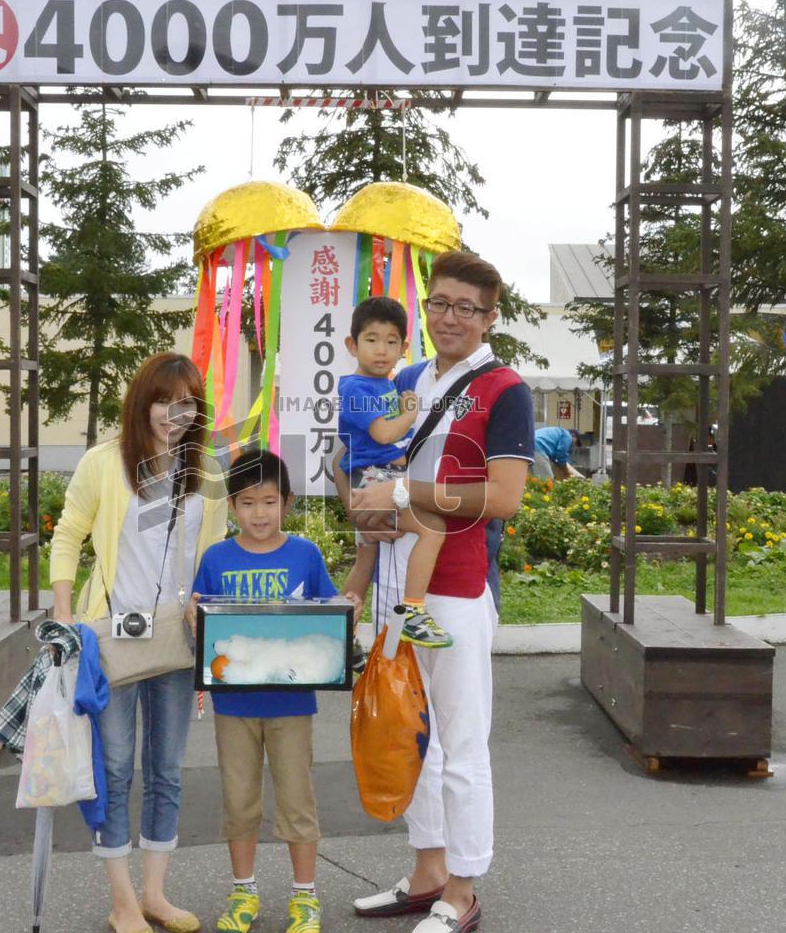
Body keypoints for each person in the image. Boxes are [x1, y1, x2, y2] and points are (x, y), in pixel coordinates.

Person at [335, 251, 534, 933]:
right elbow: (363, 453)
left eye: (467, 308)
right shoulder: (408, 375)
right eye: (441, 303)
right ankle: (426, 872)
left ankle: (463, 888)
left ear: (489, 317)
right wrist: (364, 503)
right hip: (395, 580)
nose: (451, 317)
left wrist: (402, 492)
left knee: (462, 742)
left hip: (453, 588)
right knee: (410, 737)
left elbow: (503, 497)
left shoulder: (505, 389)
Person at [50, 352, 227, 933]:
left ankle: (155, 894)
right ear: (141, 403)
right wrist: (64, 618)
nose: (175, 413)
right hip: (112, 638)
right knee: (117, 767)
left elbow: (215, 553)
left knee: (167, 770)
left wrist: (209, 609)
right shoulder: (105, 463)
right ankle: (122, 900)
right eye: (164, 400)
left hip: (177, 638)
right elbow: (68, 534)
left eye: (187, 402)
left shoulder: (209, 470)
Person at [185, 449, 358, 933]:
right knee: (239, 801)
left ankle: (305, 898)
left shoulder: (305, 554)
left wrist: (346, 608)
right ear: (233, 507)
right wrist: (192, 618)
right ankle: (244, 892)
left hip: (292, 704)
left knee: (297, 799)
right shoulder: (217, 557)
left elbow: (327, 609)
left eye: (268, 502)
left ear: (287, 502)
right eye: (247, 503)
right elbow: (199, 617)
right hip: (233, 705)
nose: (259, 514)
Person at [338, 296, 452, 648]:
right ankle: (414, 611)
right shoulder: (356, 388)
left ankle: (342, 633)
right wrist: (410, 411)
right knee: (432, 527)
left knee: (366, 558)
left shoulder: (383, 383)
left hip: (369, 473)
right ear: (352, 345)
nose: (381, 350)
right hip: (371, 477)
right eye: (371, 340)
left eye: (391, 342)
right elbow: (383, 433)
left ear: (404, 347)